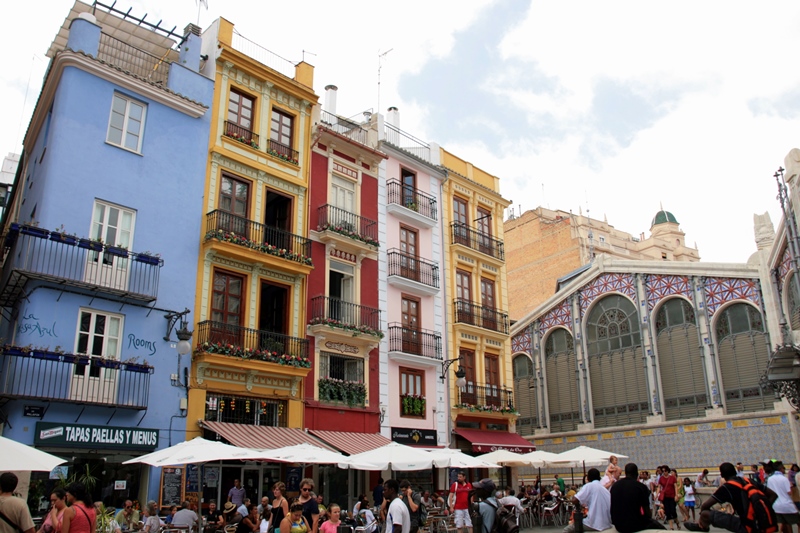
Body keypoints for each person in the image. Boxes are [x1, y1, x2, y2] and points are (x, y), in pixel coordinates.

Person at [685, 461, 777, 533]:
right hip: (763, 524)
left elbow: (705, 505)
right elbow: (773, 495)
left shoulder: (727, 487)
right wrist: (762, 512)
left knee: (705, 513)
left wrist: (701, 517)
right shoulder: (749, 481)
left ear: (722, 475)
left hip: (746, 527)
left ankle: (701, 526)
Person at [610, 463, 665, 533]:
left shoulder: (615, 486)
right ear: (636, 474)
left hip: (618, 525)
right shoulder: (641, 487)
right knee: (661, 528)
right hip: (634, 524)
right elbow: (647, 511)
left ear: (626, 473)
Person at [562, 468, 611, 533]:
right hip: (607, 523)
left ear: (588, 478)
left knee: (567, 530)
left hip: (594, 524)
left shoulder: (589, 486)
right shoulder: (604, 489)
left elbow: (575, 500)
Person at [764, 460, 800, 533]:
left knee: (783, 525)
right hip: (786, 505)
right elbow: (789, 492)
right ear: (781, 469)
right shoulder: (784, 479)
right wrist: (791, 487)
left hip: (776, 506)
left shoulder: (770, 479)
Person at [659, 465, 679, 531]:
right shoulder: (661, 478)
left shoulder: (672, 478)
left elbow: (675, 486)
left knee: (673, 511)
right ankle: (671, 527)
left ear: (668, 470)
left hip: (672, 496)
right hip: (665, 497)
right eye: (663, 471)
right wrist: (656, 494)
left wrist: (676, 495)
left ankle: (677, 521)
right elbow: (659, 487)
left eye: (665, 471)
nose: (664, 472)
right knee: (667, 511)